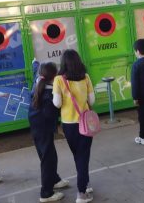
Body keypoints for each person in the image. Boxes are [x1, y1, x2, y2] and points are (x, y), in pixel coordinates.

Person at [52, 49, 95, 203]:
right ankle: (82, 191)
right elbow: (92, 101)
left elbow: (56, 103)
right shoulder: (86, 77)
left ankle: (84, 186)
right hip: (85, 123)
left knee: (78, 155)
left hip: (69, 125)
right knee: (84, 156)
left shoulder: (58, 80)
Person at [29, 61, 69, 202]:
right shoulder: (49, 95)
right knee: (49, 159)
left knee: (46, 155)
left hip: (36, 126)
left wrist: (35, 62)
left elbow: (35, 68)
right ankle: (46, 193)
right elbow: (50, 114)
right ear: (54, 76)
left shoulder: (38, 81)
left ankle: (54, 179)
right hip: (43, 128)